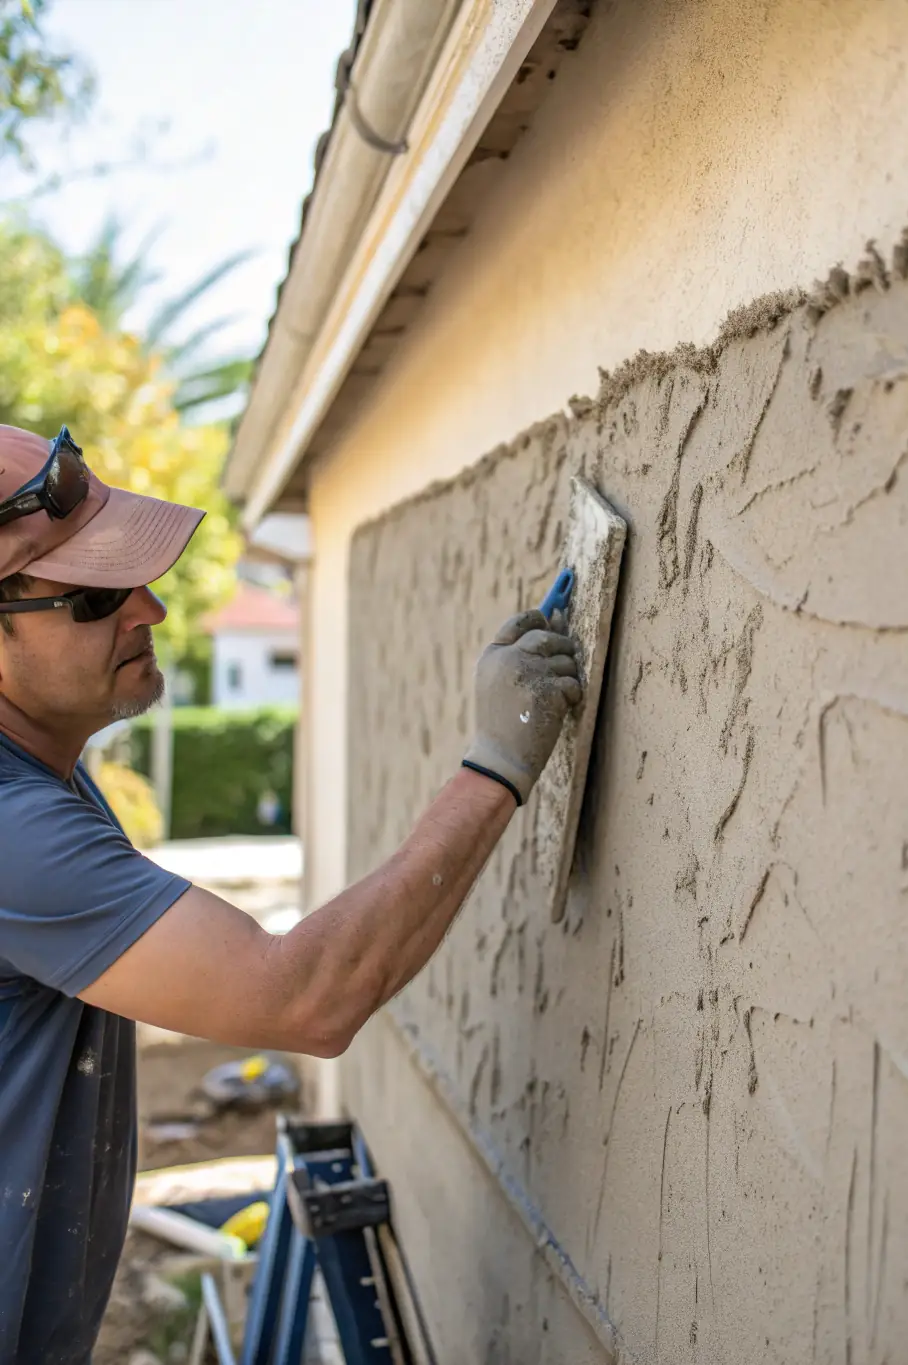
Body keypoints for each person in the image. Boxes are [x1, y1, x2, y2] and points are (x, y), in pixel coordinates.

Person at [0, 423, 581, 1363]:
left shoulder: (49, 775)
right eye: (97, 596)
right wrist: (495, 766)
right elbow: (302, 998)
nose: (150, 607)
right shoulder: (14, 831)